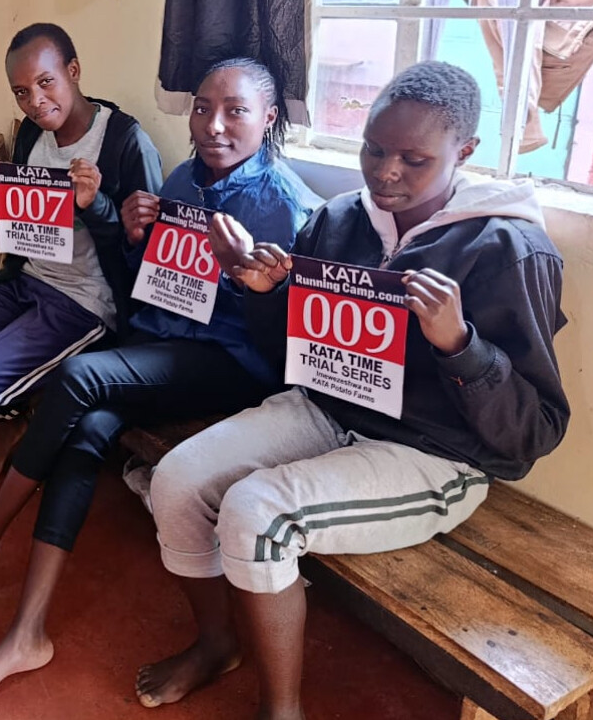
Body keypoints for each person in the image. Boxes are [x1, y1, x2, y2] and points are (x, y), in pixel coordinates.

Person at [138, 61, 569, 718]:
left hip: (436, 454)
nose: (386, 172)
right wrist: (266, 292)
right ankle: (216, 642)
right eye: (373, 149)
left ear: (465, 151)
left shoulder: (507, 249)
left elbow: (535, 431)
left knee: (258, 513)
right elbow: (291, 358)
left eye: (415, 159)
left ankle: (282, 710)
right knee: (174, 479)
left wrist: (461, 345)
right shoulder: (339, 221)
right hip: (328, 410)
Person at [0, 59, 321, 708]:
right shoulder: (183, 179)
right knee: (87, 431)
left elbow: (290, 344)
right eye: (203, 108)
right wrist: (132, 234)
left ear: (269, 118)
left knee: (79, 375)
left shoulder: (290, 206)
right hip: (161, 346)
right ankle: (26, 633)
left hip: (229, 364)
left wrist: (253, 281)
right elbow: (150, 280)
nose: (213, 125)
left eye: (235, 111)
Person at [0, 23, 163, 484]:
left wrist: (97, 205)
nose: (35, 102)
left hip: (84, 301)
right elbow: (29, 222)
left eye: (46, 82)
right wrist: (2, 189)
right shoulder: (31, 135)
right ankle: (11, 419)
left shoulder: (123, 141)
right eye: (21, 92)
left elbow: (149, 255)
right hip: (25, 279)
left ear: (73, 71)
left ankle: (16, 428)